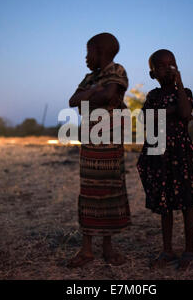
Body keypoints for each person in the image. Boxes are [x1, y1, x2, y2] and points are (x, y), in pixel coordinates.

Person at [137, 49, 193, 269]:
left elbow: (185, 114)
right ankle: (167, 250)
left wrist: (179, 86)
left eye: (172, 64)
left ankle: (190, 250)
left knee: (187, 202)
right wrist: (171, 110)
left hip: (181, 153)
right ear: (152, 74)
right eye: (161, 66)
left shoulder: (184, 91)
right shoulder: (153, 95)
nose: (168, 69)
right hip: (159, 154)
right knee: (165, 203)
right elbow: (146, 117)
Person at [67, 32, 131, 268]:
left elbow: (109, 94)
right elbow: (72, 101)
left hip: (111, 145)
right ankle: (86, 250)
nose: (86, 58)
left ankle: (107, 248)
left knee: (110, 192)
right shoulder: (89, 77)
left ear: (100, 52)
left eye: (88, 52)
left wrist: (92, 93)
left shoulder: (117, 71)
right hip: (90, 144)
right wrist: (94, 93)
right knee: (89, 192)